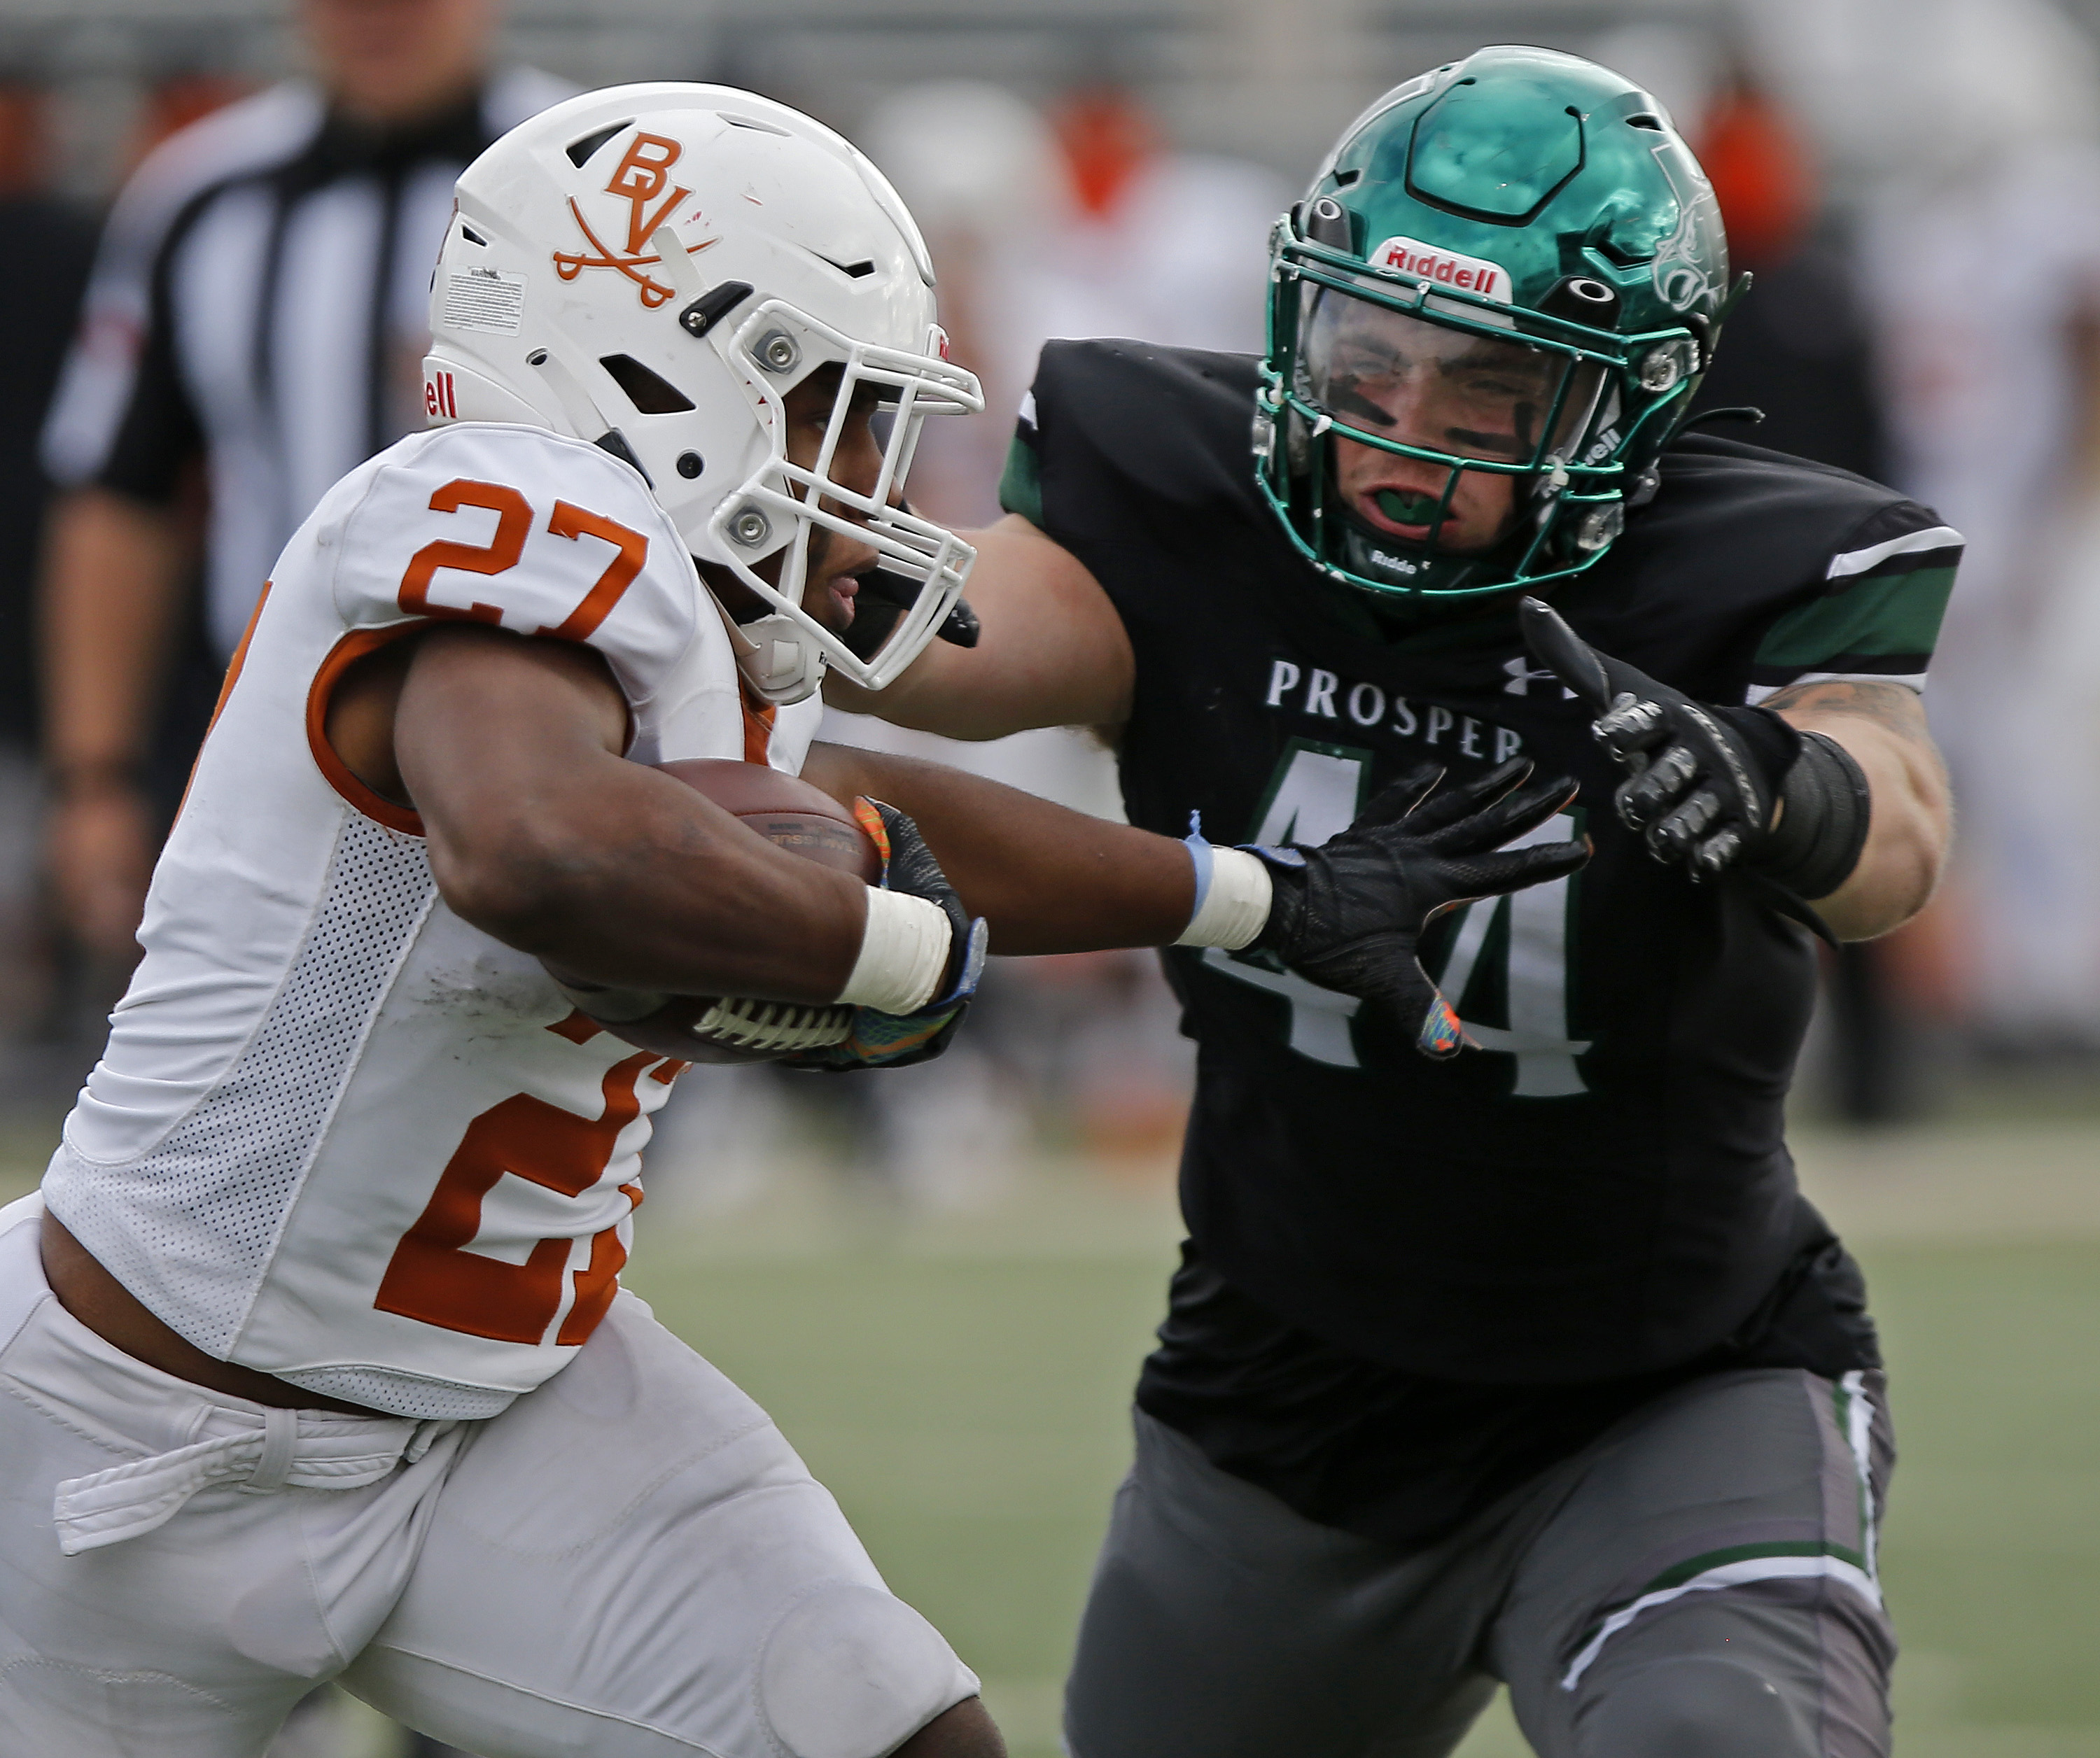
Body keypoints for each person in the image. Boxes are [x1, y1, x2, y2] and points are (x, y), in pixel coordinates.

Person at [0, 81, 1586, 1758]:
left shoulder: (669, 616)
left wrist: (1255, 895)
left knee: (897, 1733)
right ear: (653, 367)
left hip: (508, 1403)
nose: (863, 473)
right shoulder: (508, 509)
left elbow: (860, 806)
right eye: (826, 406)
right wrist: (898, 955)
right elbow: (534, 847)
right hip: (139, 1436)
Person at [827, 45, 1958, 1758]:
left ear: (1627, 402)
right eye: (1366, 358)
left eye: (1487, 395)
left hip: (1677, 1377)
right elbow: (964, 634)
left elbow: (1896, 825)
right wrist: (776, 560)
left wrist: (1774, 783)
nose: (1396, 434)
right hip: (1286, 1390)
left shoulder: (1741, 569)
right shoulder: (1185, 489)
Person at [38, 0, 570, 967]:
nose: (377, 17)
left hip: (554, 730)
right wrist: (96, 779)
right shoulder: (202, 191)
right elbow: (123, 496)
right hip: (265, 737)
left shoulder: (590, 177)